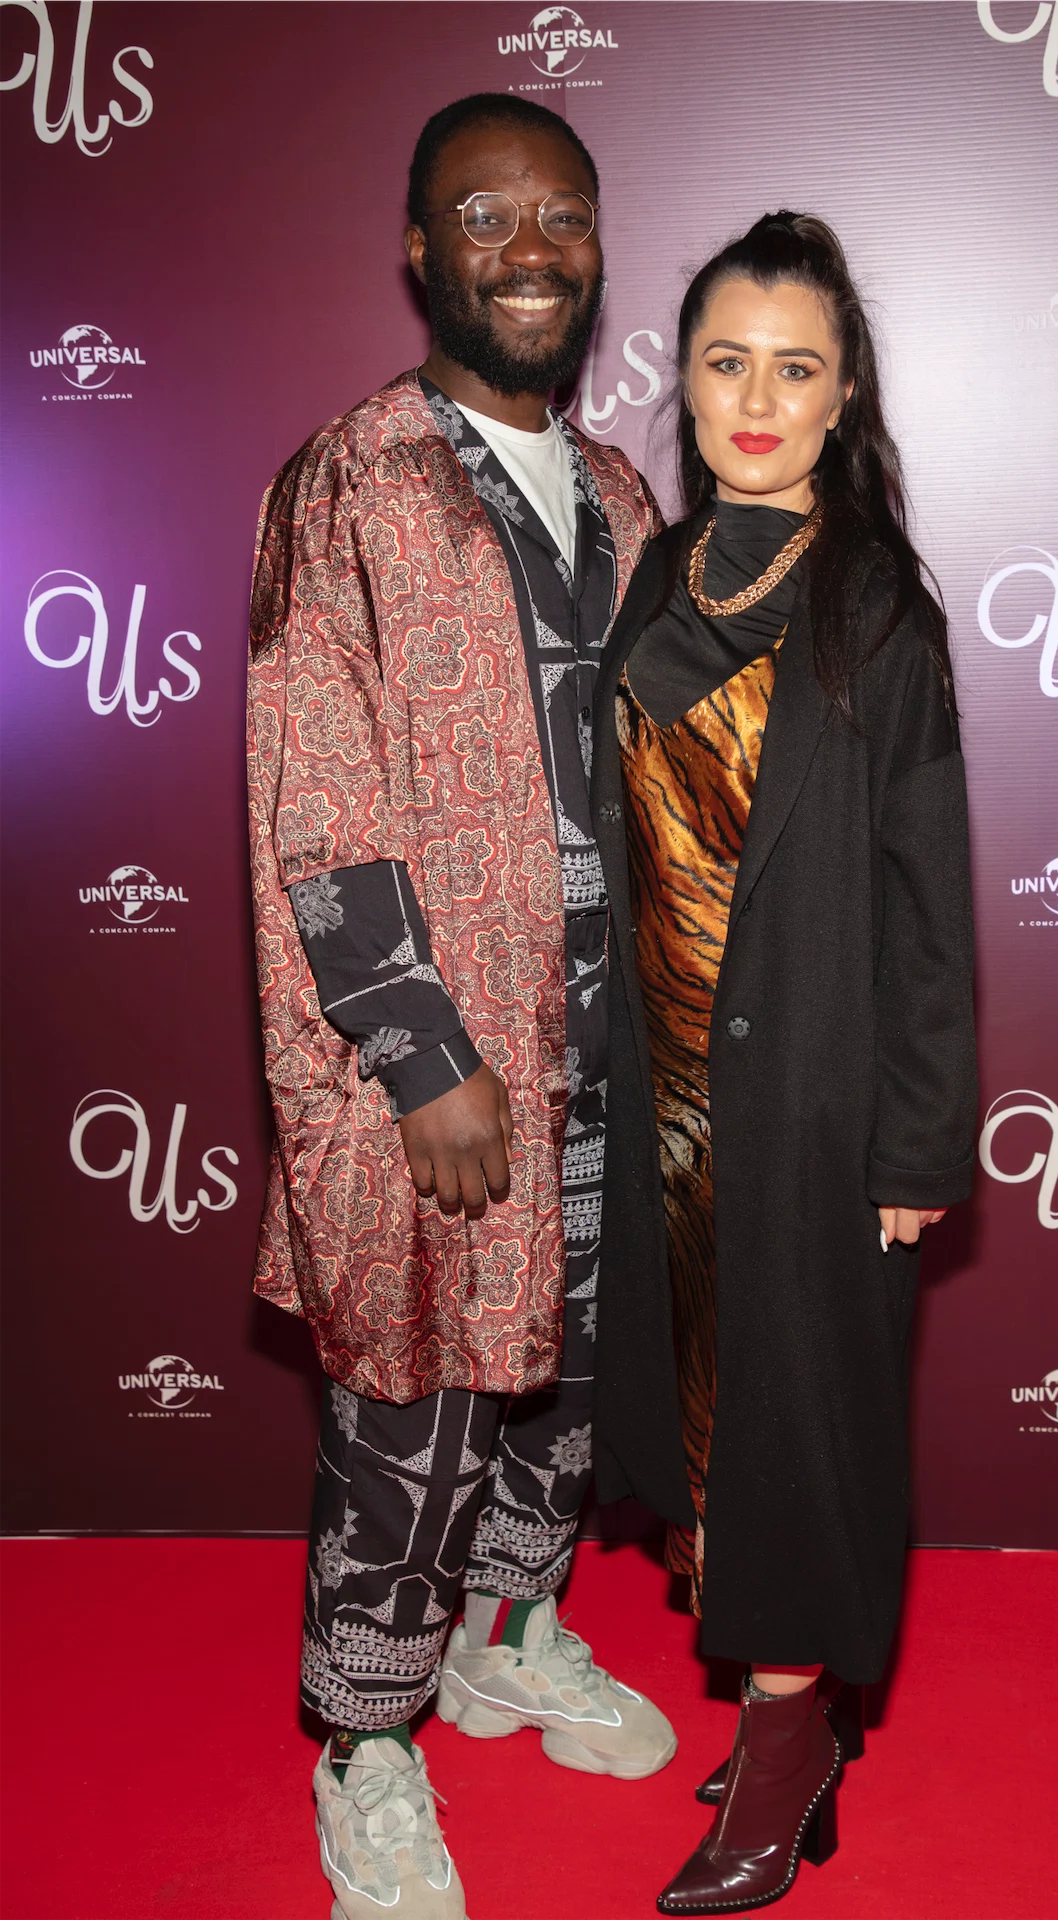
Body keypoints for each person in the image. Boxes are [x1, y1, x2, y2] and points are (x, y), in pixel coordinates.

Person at [246, 93, 675, 1920]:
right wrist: (417, 1047)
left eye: (561, 217)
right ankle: (366, 1746)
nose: (529, 251)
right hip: (442, 1058)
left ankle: (509, 1643)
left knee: (564, 1390)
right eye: (484, 218)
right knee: (410, 1407)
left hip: (613, 1049)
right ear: (421, 250)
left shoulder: (626, 493)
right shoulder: (352, 479)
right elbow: (315, 786)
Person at [589, 211, 977, 1914]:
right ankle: (788, 1714)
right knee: (706, 1416)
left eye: (794, 369)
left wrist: (917, 1145)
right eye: (725, 362)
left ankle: (785, 1735)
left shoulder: (875, 606)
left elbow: (928, 896)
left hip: (811, 1097)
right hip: (662, 1091)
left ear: (842, 396)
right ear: (681, 379)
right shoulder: (661, 572)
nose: (756, 401)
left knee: (799, 1431)